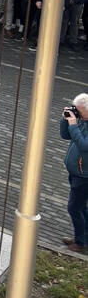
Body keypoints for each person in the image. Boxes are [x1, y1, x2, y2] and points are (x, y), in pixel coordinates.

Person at [60, 94, 88, 254]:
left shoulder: (81, 123)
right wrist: (65, 120)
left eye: (79, 110)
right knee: (81, 207)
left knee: (74, 208)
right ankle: (84, 238)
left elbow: (84, 145)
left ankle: (80, 243)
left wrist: (73, 124)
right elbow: (65, 135)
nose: (77, 113)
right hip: (76, 173)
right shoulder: (82, 120)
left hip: (84, 177)